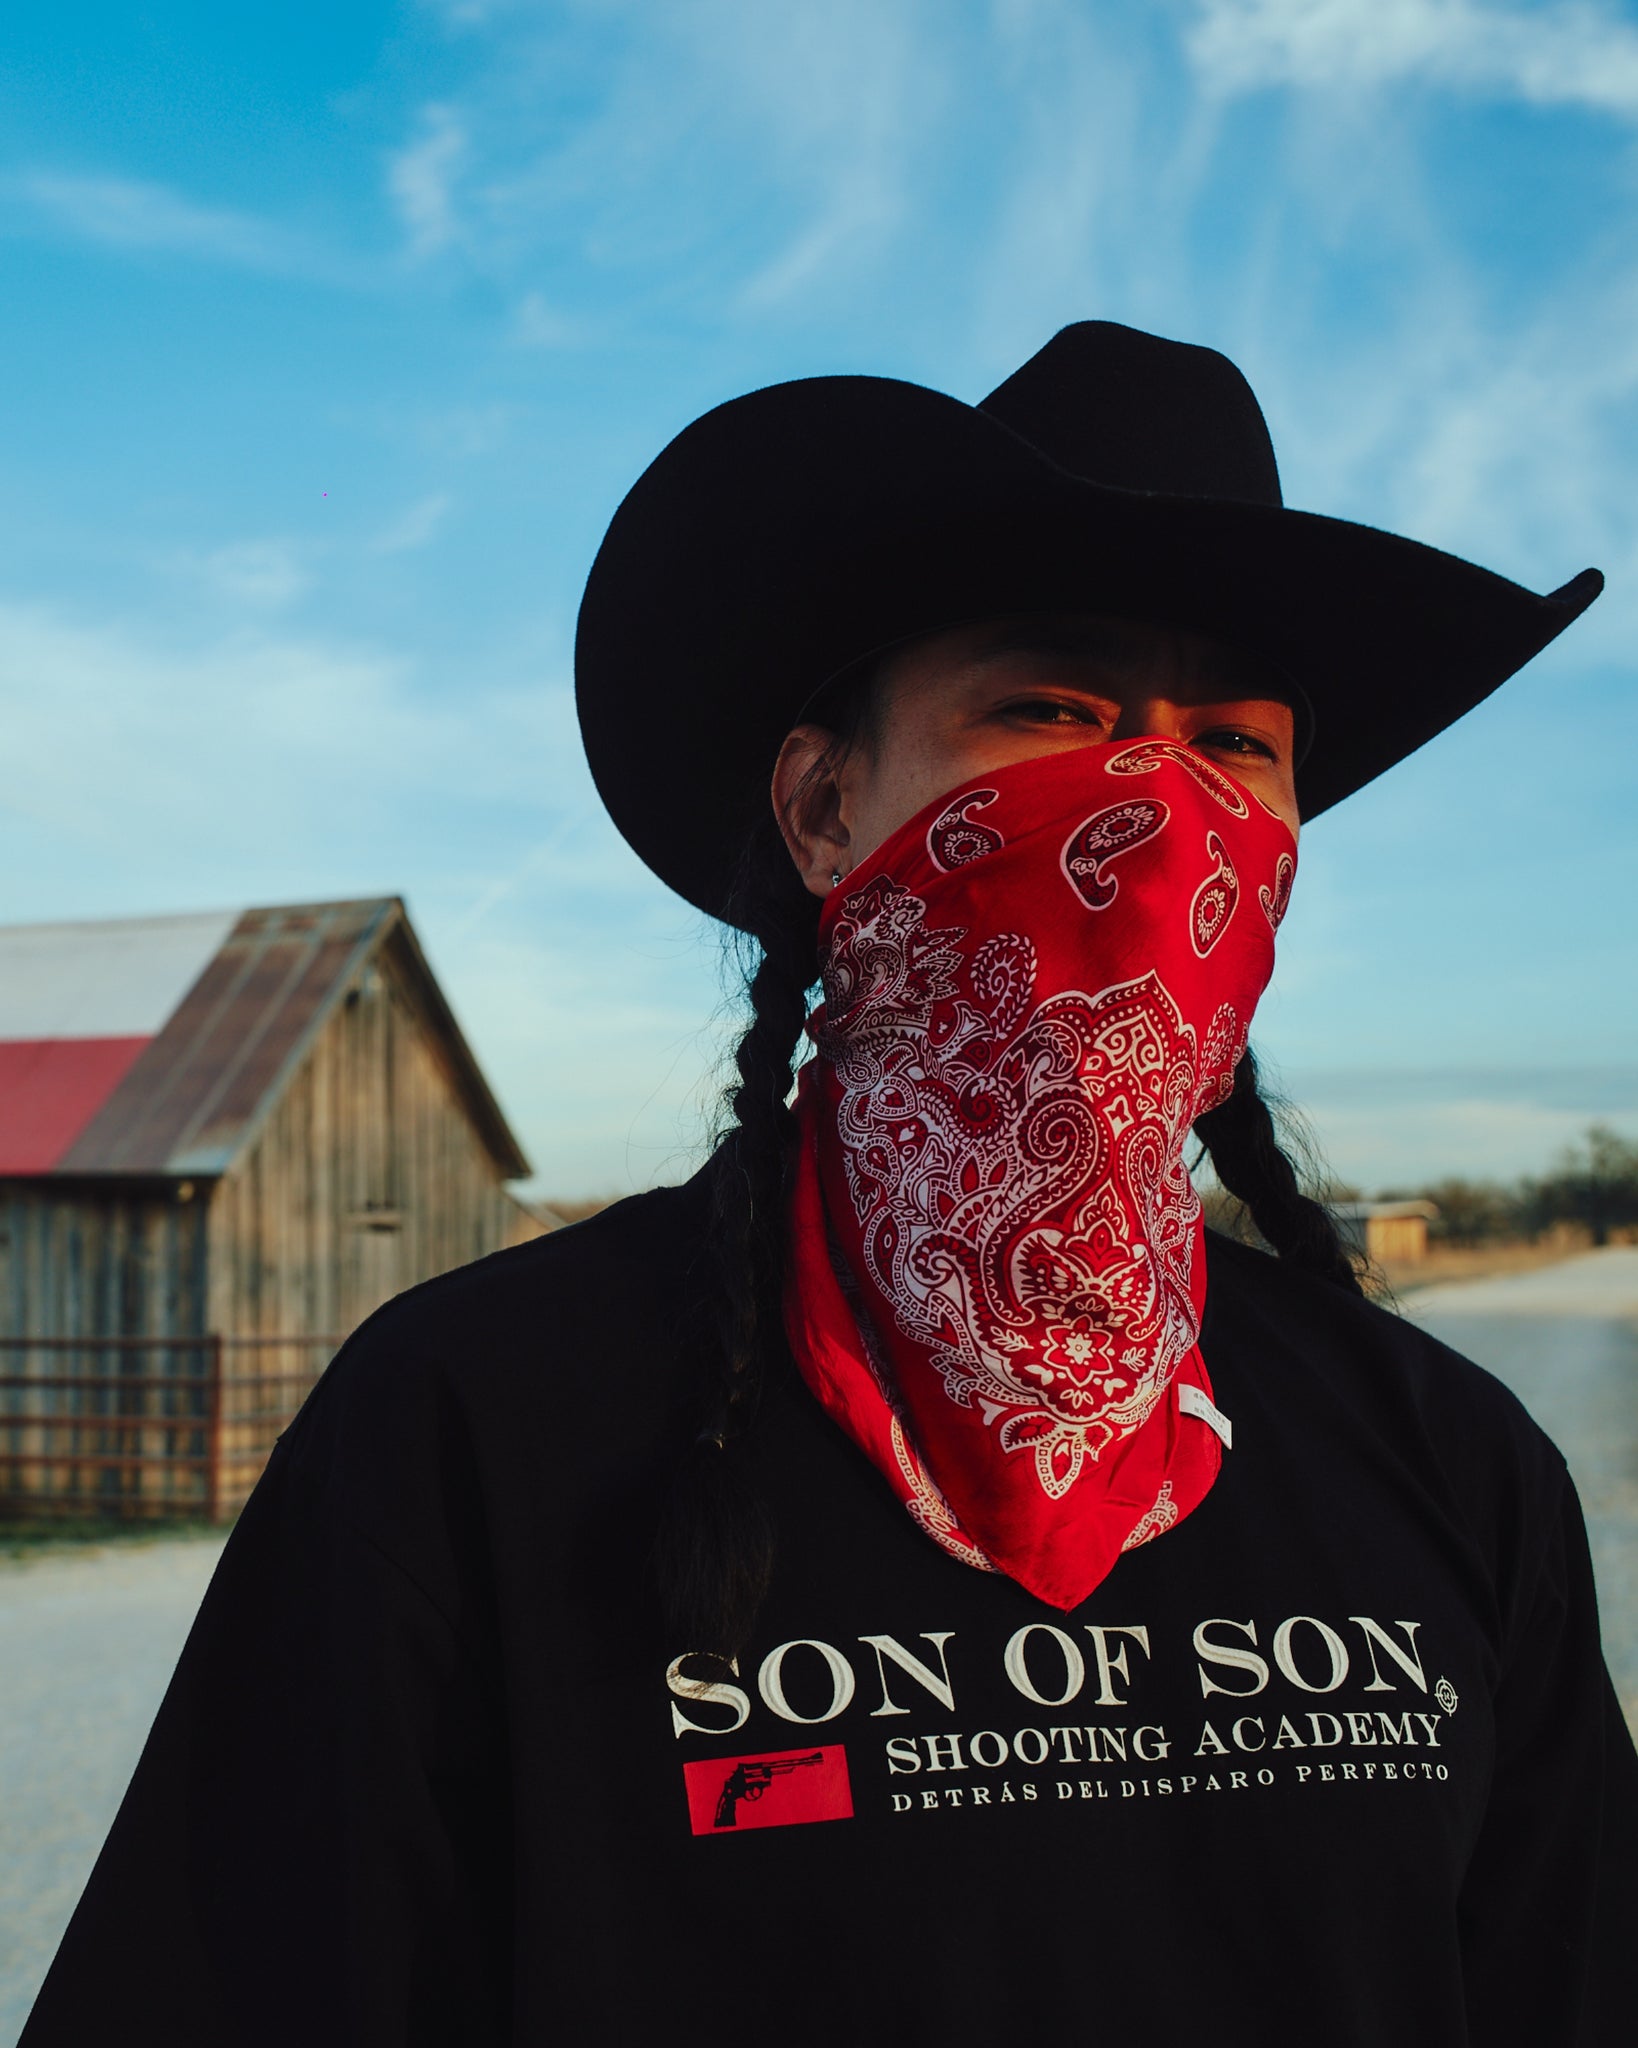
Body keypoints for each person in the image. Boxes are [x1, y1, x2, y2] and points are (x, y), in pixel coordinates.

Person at [22, 322, 1635, 2046]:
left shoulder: (1450, 1464)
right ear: (819, 809)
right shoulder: (471, 1426)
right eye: (1048, 709)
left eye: (1234, 747)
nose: (1158, 805)